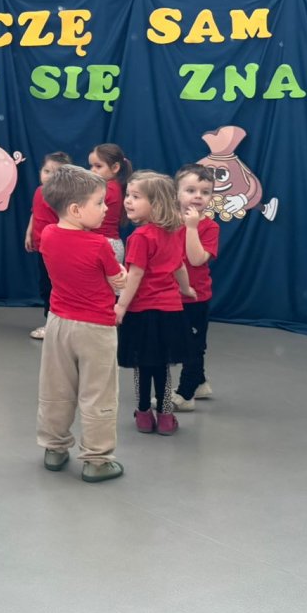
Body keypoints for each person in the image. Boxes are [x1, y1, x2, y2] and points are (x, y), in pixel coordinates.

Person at [36, 165, 129, 482]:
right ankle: (97, 459)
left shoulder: (48, 235)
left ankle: (54, 447)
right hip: (96, 329)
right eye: (99, 203)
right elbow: (118, 281)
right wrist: (122, 275)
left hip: (58, 324)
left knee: (56, 388)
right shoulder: (99, 244)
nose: (106, 209)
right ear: (76, 210)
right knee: (98, 393)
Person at [115, 171, 193, 436]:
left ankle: (143, 414)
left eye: (136, 197)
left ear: (156, 204)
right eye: (128, 195)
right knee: (162, 365)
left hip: (142, 312)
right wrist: (186, 289)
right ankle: (166, 416)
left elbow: (135, 275)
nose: (128, 201)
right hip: (169, 312)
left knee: (142, 365)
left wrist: (121, 306)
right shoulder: (174, 232)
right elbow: (179, 266)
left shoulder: (140, 237)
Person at [172, 163, 220, 411]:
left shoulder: (210, 227)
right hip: (169, 295)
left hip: (195, 298)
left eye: (205, 192)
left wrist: (191, 228)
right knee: (181, 342)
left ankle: (186, 394)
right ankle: (199, 383)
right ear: (177, 193)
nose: (198, 196)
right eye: (191, 190)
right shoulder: (168, 221)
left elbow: (196, 259)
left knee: (192, 346)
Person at [24, 151, 71, 340]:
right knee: (45, 286)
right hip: (41, 248)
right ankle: (51, 321)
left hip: (57, 250)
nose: (49, 176)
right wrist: (29, 232)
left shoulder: (63, 197)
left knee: (55, 286)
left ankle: (54, 325)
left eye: (56, 173)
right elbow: (35, 213)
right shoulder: (38, 191)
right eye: (46, 171)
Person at [89, 143, 132, 262]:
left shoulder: (109, 189)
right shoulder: (113, 186)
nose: (92, 170)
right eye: (91, 166)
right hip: (107, 243)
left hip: (106, 244)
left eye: (98, 166)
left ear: (115, 168)